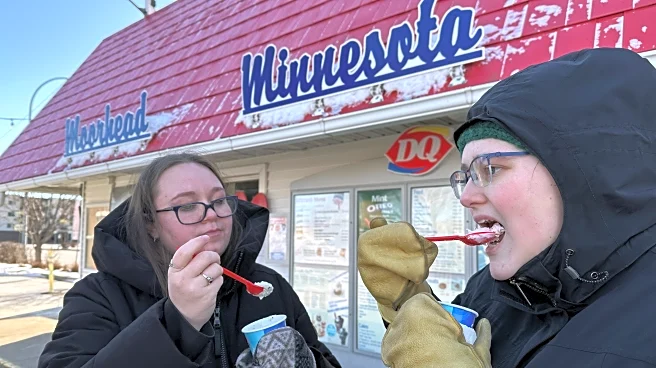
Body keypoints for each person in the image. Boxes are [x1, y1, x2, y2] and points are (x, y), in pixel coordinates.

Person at [358, 47, 656, 367]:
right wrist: (409, 303)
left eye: (490, 169)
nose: (466, 195)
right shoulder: (495, 286)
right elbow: (444, 347)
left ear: (586, 171)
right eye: (466, 175)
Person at [38, 153, 341, 368]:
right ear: (150, 225)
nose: (211, 214)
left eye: (219, 200)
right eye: (186, 205)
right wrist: (177, 324)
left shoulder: (266, 286)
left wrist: (308, 361)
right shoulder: (99, 295)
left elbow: (325, 358)